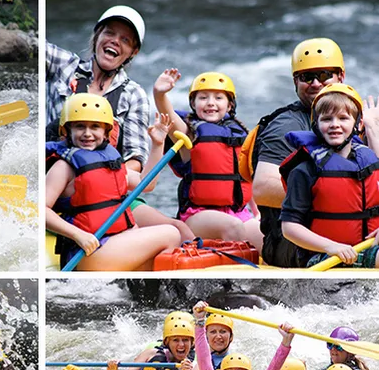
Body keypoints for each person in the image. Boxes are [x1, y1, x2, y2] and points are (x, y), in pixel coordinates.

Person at [44, 5, 191, 242]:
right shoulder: (65, 66)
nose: (115, 41)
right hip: (58, 182)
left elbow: (135, 162)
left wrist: (97, 177)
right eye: (109, 33)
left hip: (109, 188)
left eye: (125, 39)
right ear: (97, 37)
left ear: (132, 52)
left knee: (180, 231)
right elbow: (33, 46)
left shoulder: (133, 94)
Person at [248, 38, 379, 266]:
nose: (316, 83)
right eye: (307, 77)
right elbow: (261, 190)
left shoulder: (361, 118)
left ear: (341, 76)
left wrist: (373, 129)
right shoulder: (285, 127)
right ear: (296, 81)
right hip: (302, 244)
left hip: (360, 240)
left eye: (324, 74)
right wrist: (336, 195)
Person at [44, 93, 181, 270]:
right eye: (79, 126)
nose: (87, 133)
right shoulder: (64, 167)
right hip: (89, 251)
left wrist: (157, 144)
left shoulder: (109, 160)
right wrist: (78, 235)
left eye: (95, 127)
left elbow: (145, 184)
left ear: (106, 131)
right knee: (171, 233)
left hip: (113, 244)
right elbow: (42, 210)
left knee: (159, 247)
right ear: (66, 131)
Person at [152, 70, 261, 246]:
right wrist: (160, 94)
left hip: (237, 213)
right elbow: (169, 116)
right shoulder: (189, 134)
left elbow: (246, 178)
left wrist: (258, 213)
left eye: (218, 98)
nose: (211, 103)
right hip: (198, 215)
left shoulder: (239, 135)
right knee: (233, 227)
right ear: (193, 104)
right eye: (203, 97)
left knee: (266, 235)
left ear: (230, 105)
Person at [279, 83, 379, 267]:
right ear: (316, 124)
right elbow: (289, 228)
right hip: (324, 256)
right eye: (326, 119)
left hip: (366, 247)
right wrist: (331, 246)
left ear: (357, 124)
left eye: (343, 118)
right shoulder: (305, 171)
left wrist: (372, 128)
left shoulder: (367, 160)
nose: (335, 125)